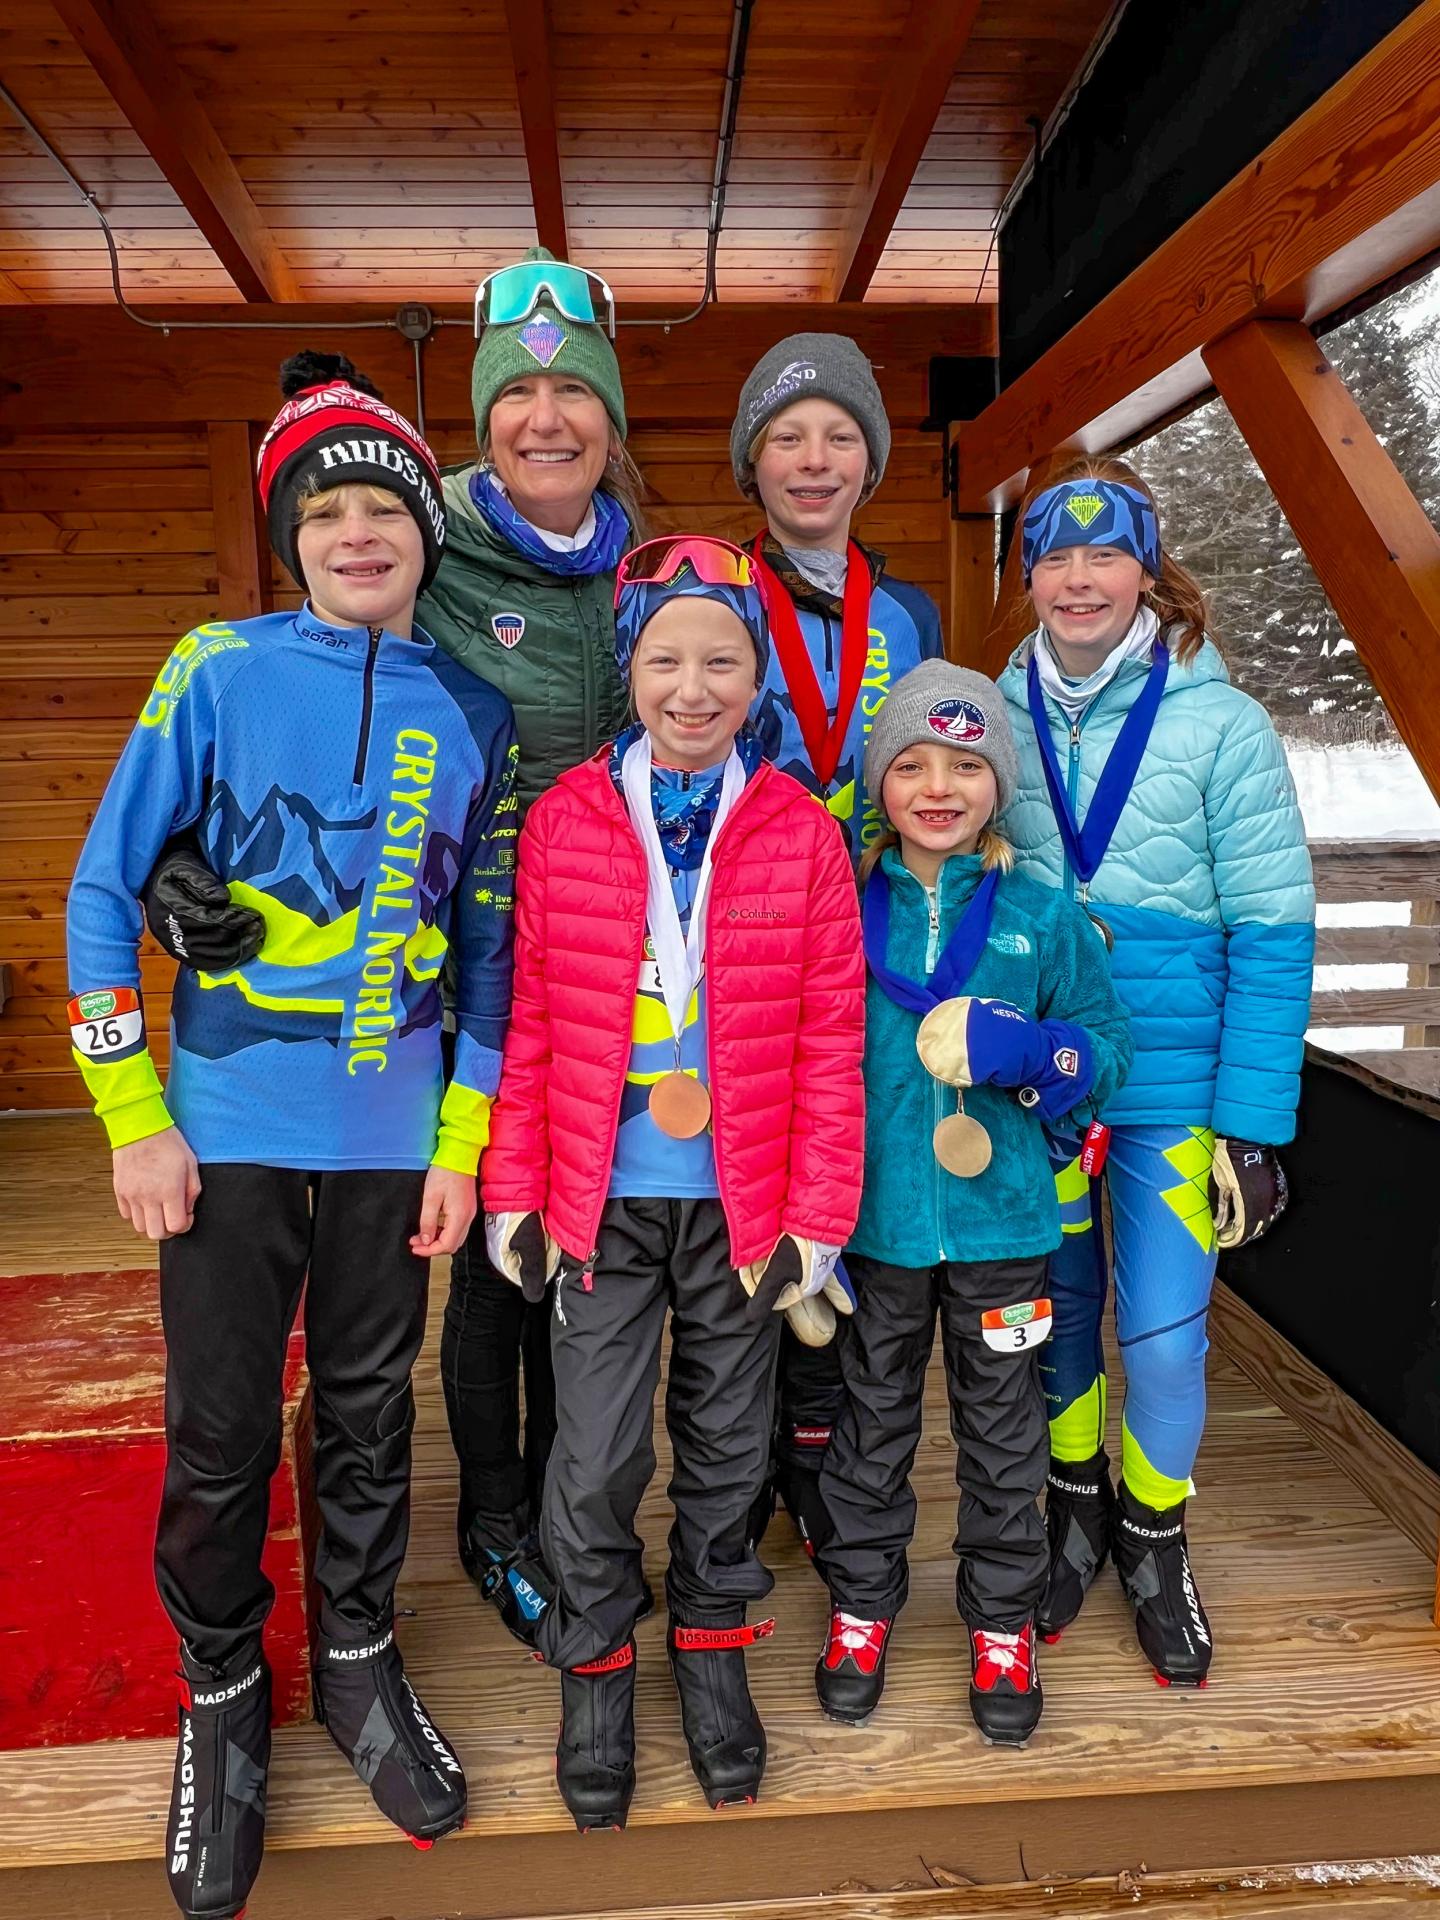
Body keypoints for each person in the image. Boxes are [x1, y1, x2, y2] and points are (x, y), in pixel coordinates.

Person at [66, 358, 516, 1918]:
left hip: (397, 1138)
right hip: (227, 1127)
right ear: (288, 534)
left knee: (373, 1413)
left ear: (425, 530)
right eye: (323, 508)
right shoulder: (216, 665)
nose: (355, 529)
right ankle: (217, 1690)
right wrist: (132, 1117)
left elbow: (489, 952)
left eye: (383, 502)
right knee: (219, 1428)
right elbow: (97, 897)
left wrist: (462, 1143)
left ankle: (355, 1654)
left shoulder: (477, 705)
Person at [142, 251, 642, 1652]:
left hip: (603, 961)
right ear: (481, 424)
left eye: (575, 393)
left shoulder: (643, 568)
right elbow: (318, 708)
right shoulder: (424, 539)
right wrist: (186, 861)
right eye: (519, 394)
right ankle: (494, 1521)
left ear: (612, 416)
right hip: (439, 985)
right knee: (487, 1251)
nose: (548, 419)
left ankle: (571, 1509)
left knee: (583, 1245)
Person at [481, 534, 864, 1829]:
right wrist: (514, 1188)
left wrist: (817, 1216)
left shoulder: (804, 834)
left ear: (761, 675)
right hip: (600, 1196)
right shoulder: (570, 818)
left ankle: (711, 1654)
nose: (692, 687)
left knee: (730, 1442)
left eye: (723, 659)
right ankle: (594, 1669)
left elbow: (832, 1036)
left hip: (745, 1205)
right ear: (628, 668)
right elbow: (533, 1017)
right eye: (664, 658)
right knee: (588, 1458)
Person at [997, 457, 1315, 1686]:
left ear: (1148, 567)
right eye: (1055, 558)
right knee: (1058, 1318)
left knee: (1170, 1340)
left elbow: (1277, 933)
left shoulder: (1218, 724)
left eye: (1106, 554)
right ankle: (1071, 1507)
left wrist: (1251, 1124)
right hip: (1045, 1085)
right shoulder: (993, 709)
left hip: (1176, 1089)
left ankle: (1152, 1530)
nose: (1079, 580)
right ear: (1028, 575)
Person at [812, 662, 1132, 1746]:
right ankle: (862, 1604)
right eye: (911, 765)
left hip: (1003, 1227)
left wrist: (1039, 1052)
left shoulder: (1041, 917)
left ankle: (1002, 1620)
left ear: (999, 785)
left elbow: (1106, 1058)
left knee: (1003, 1433)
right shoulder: (844, 910)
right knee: (871, 1425)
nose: (938, 788)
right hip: (879, 1228)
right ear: (879, 785)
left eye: (965, 765)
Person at [729, 333, 945, 1564]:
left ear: (871, 459)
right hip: (742, 952)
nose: (815, 460)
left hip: (868, 950)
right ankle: (744, 1455)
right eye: (788, 436)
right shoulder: (706, 584)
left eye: (840, 435)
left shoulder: (904, 611)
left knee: (842, 1202)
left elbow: (940, 770)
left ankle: (817, 1455)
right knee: (747, 1206)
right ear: (754, 462)